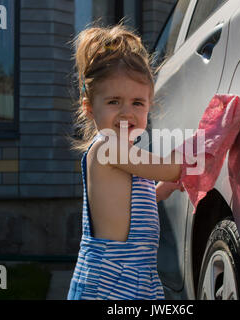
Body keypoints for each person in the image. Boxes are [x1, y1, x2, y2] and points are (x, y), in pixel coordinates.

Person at [67, 24, 185, 300]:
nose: (126, 113)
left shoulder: (125, 155)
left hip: (132, 274)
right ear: (89, 106)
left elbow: (123, 204)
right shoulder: (109, 148)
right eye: (113, 102)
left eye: (137, 103)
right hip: (113, 278)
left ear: (149, 105)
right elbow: (171, 168)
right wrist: (208, 144)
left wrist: (159, 192)